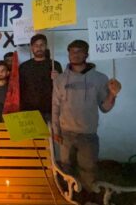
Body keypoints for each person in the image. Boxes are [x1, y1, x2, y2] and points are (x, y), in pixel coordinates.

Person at [52, 40, 121, 195]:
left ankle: (87, 199)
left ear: (87, 54)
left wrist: (112, 94)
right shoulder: (60, 80)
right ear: (68, 54)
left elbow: (105, 108)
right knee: (66, 170)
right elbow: (55, 107)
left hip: (88, 135)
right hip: (65, 134)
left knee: (88, 173)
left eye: (79, 51)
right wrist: (56, 130)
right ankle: (68, 199)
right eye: (72, 52)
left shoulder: (100, 78)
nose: (75, 55)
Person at [20, 34, 62, 122]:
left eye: (42, 45)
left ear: (46, 46)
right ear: (31, 47)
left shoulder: (55, 65)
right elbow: (19, 89)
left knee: (51, 135)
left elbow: (63, 90)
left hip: (50, 111)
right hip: (29, 112)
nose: (39, 48)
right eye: (36, 45)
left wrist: (59, 79)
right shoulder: (24, 67)